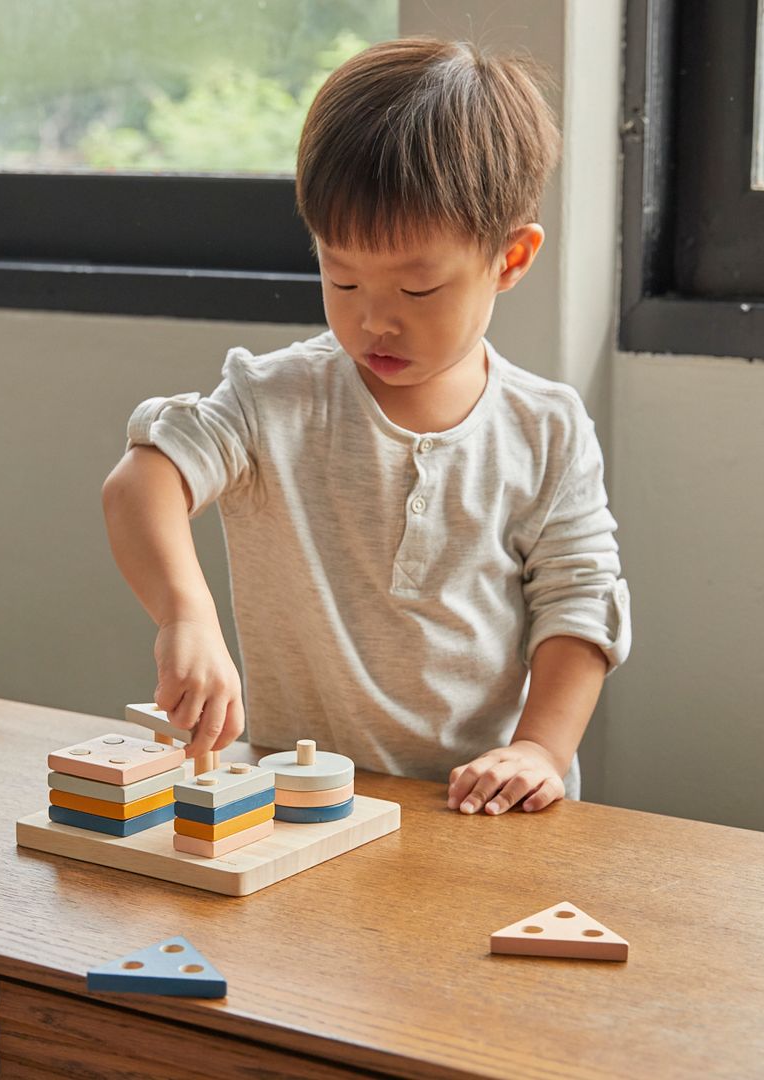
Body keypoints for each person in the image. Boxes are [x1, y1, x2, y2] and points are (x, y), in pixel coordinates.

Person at [101, 37, 631, 816]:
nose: (373, 318)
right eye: (340, 275)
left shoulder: (546, 430)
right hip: (297, 806)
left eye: (418, 290)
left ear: (511, 259)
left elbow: (580, 605)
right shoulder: (271, 398)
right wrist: (187, 615)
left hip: (481, 813)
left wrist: (540, 750)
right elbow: (141, 483)